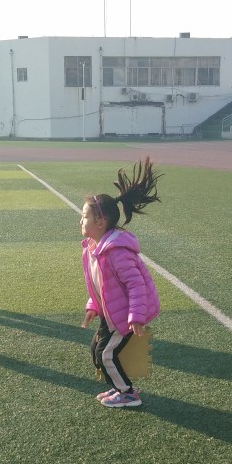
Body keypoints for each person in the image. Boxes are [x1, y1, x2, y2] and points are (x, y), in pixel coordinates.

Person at [80, 157, 161, 408]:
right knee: (97, 350)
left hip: (124, 314)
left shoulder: (117, 252)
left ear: (100, 222)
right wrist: (93, 306)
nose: (81, 221)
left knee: (106, 354)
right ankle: (118, 387)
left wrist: (136, 317)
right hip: (111, 312)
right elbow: (101, 286)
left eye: (84, 217)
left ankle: (128, 393)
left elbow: (137, 285)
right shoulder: (93, 249)